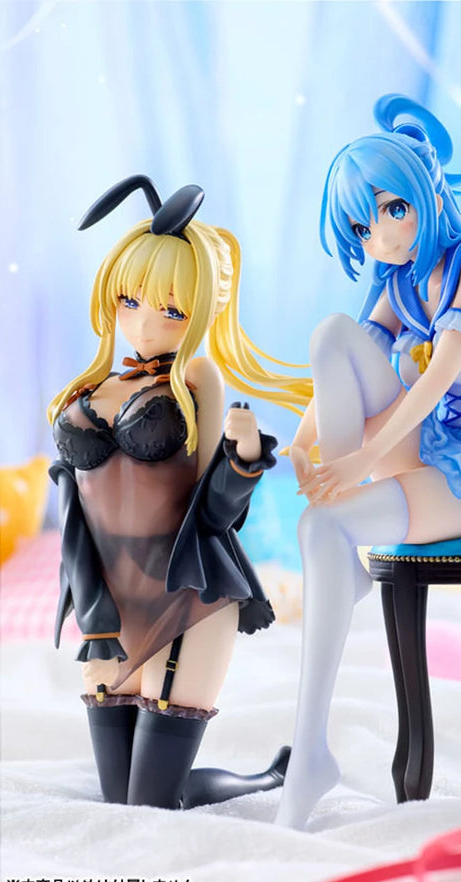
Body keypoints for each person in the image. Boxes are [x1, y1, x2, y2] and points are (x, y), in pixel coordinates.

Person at [274, 95, 461, 829]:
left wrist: (366, 456)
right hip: (429, 460)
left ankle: (343, 557)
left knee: (323, 526)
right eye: (362, 227)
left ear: (427, 192)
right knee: (332, 336)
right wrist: (300, 447)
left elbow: (439, 376)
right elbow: (343, 363)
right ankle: (310, 753)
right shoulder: (397, 282)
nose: (380, 234)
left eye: (392, 209)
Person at [48, 176, 307, 810]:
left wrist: (244, 458)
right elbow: (74, 520)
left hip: (185, 599)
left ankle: (266, 780)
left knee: (149, 804)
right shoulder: (90, 389)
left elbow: (215, 514)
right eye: (130, 300)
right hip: (109, 610)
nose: (144, 322)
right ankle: (259, 778)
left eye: (172, 310)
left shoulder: (197, 380)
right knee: (121, 802)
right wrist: (88, 612)